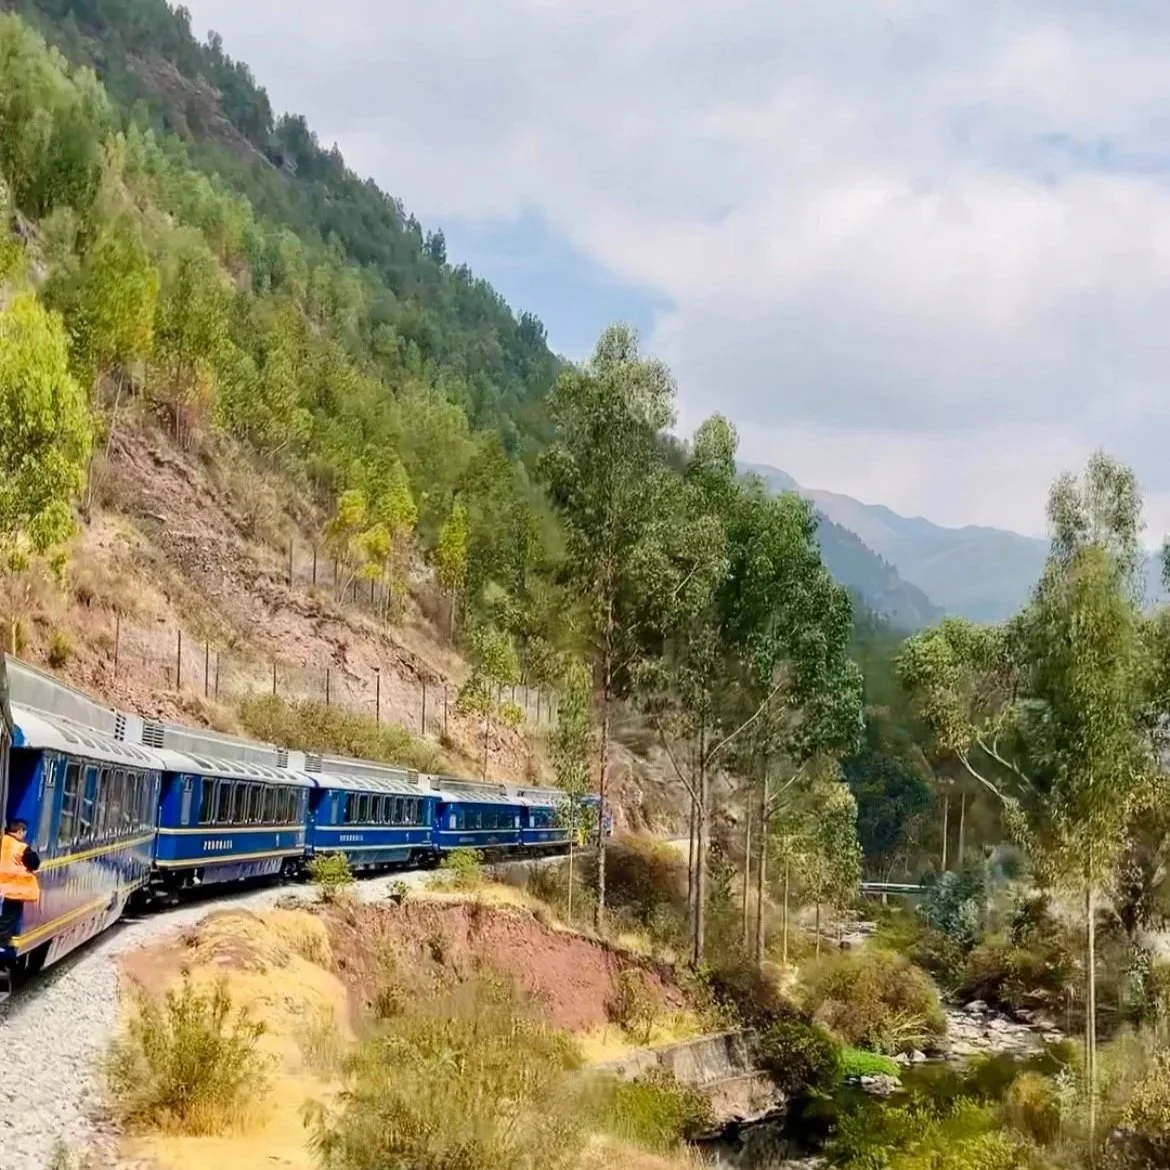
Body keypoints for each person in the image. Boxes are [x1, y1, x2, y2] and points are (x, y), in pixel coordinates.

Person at [0, 820, 40, 946]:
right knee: (9, 918)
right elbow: (35, 863)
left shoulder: (2, 841)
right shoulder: (21, 848)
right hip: (14, 890)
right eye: (24, 832)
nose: (24, 835)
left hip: (2, 887)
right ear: (19, 832)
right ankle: (2, 940)